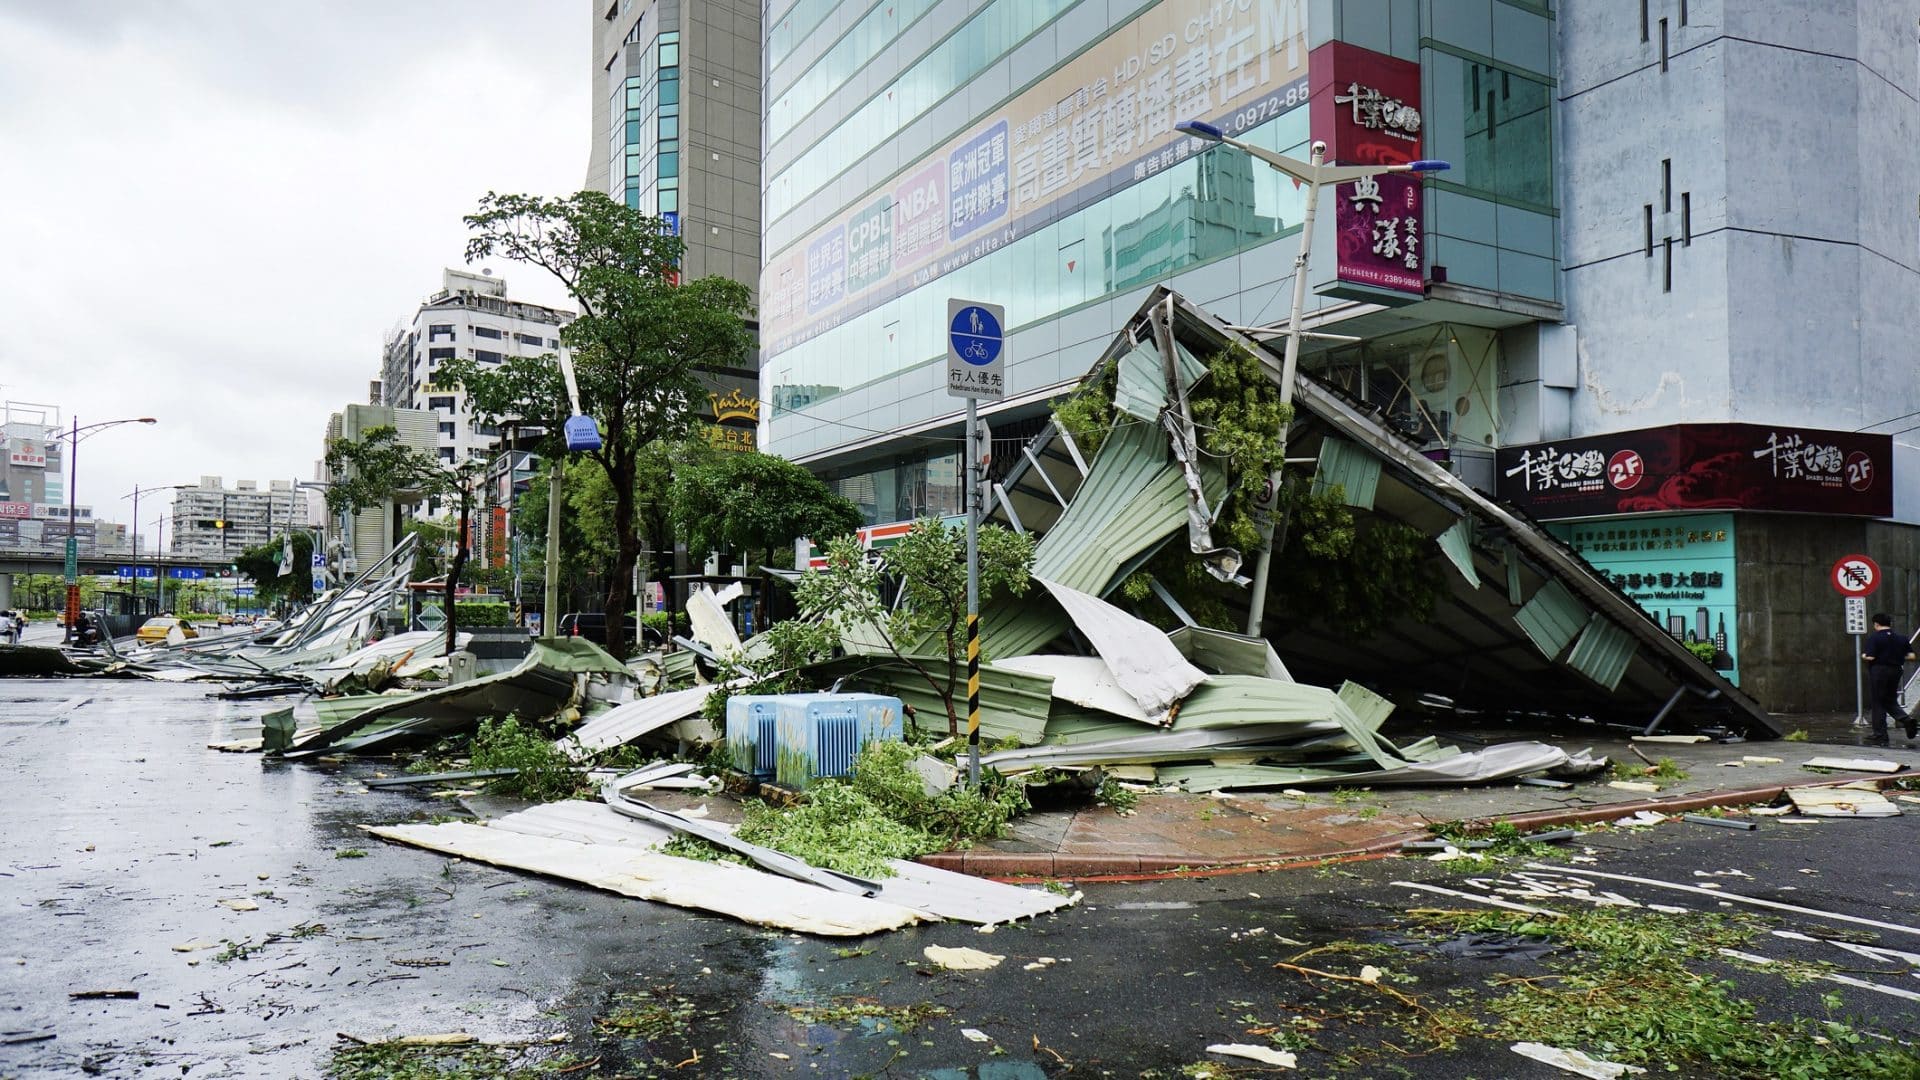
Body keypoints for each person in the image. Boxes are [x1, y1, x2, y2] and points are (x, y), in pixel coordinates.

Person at [1861, 613, 1917, 746]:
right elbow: (1911, 655)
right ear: (1890, 624)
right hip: (1896, 670)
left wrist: (1863, 655)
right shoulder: (1901, 638)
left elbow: (1870, 657)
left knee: (1878, 701)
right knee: (1889, 699)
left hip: (1879, 671)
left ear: (1876, 624)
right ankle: (1906, 720)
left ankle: (1880, 734)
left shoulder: (1874, 638)